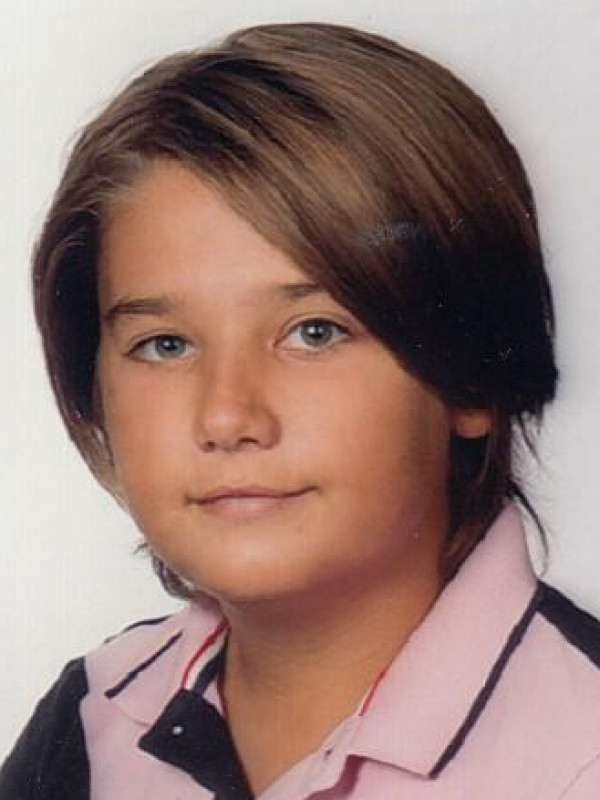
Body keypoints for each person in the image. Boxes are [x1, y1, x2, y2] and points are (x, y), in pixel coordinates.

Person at [2, 19, 600, 800]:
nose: (226, 417)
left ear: (471, 377)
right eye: (165, 345)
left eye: (315, 332)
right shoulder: (90, 723)